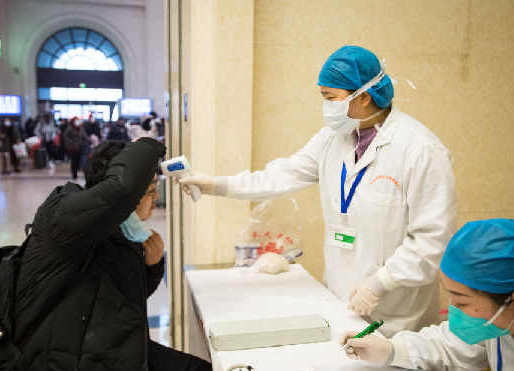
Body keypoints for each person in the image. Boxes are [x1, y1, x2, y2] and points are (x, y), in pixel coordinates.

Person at [179, 45, 457, 336]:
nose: (326, 107)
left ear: (363, 97)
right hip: (339, 300)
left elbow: (432, 242)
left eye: (330, 98)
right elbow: (282, 175)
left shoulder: (421, 151)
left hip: (396, 316)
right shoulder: (334, 138)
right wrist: (216, 184)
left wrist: (380, 283)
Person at [14, 138, 214, 371]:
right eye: (151, 191)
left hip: (107, 352)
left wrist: (152, 264)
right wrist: (150, 145)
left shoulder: (124, 231)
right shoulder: (62, 215)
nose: (155, 200)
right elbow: (123, 186)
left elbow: (122, 299)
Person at [340, 216, 514, 371]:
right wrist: (391, 349)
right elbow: (450, 344)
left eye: (462, 302)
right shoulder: (502, 320)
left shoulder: (503, 316)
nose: (453, 309)